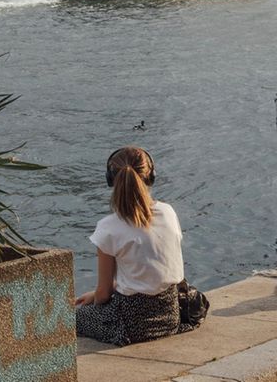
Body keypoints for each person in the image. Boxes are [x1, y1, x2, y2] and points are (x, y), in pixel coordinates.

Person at [75, 146, 195, 346]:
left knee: (74, 317)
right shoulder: (168, 212)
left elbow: (103, 294)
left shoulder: (108, 227)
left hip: (132, 326)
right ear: (151, 176)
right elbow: (149, 275)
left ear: (111, 179)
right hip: (170, 317)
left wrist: (95, 298)